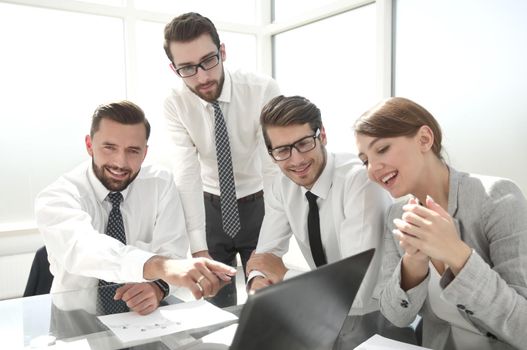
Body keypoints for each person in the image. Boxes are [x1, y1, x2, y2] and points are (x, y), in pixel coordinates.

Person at [354, 97, 527, 350]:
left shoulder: (498, 198)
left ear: (425, 139)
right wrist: (413, 263)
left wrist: (457, 255)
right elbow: (396, 317)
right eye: (364, 160)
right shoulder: (397, 215)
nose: (372, 169)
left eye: (381, 149)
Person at [35, 101, 235, 316]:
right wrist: (161, 267)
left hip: (141, 317)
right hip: (76, 317)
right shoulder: (57, 196)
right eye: (109, 147)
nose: (120, 162)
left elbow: (172, 250)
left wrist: (158, 287)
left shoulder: (160, 183)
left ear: (145, 152)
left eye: (133, 151)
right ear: (89, 145)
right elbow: (85, 249)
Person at [246, 95, 410, 348]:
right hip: (322, 309)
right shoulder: (282, 184)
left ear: (322, 135)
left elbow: (356, 290)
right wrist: (258, 281)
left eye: (303, 143)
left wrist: (282, 274)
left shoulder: (359, 181)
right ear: (271, 154)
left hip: (375, 319)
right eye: (282, 150)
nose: (296, 160)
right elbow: (264, 255)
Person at [163, 12, 280, 306]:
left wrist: (268, 242)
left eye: (208, 61)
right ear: (173, 69)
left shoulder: (262, 90)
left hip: (258, 204)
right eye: (188, 68)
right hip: (210, 209)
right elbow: (186, 175)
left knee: (265, 297)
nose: (202, 77)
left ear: (223, 51)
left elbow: (273, 168)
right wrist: (198, 247)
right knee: (215, 304)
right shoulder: (175, 104)